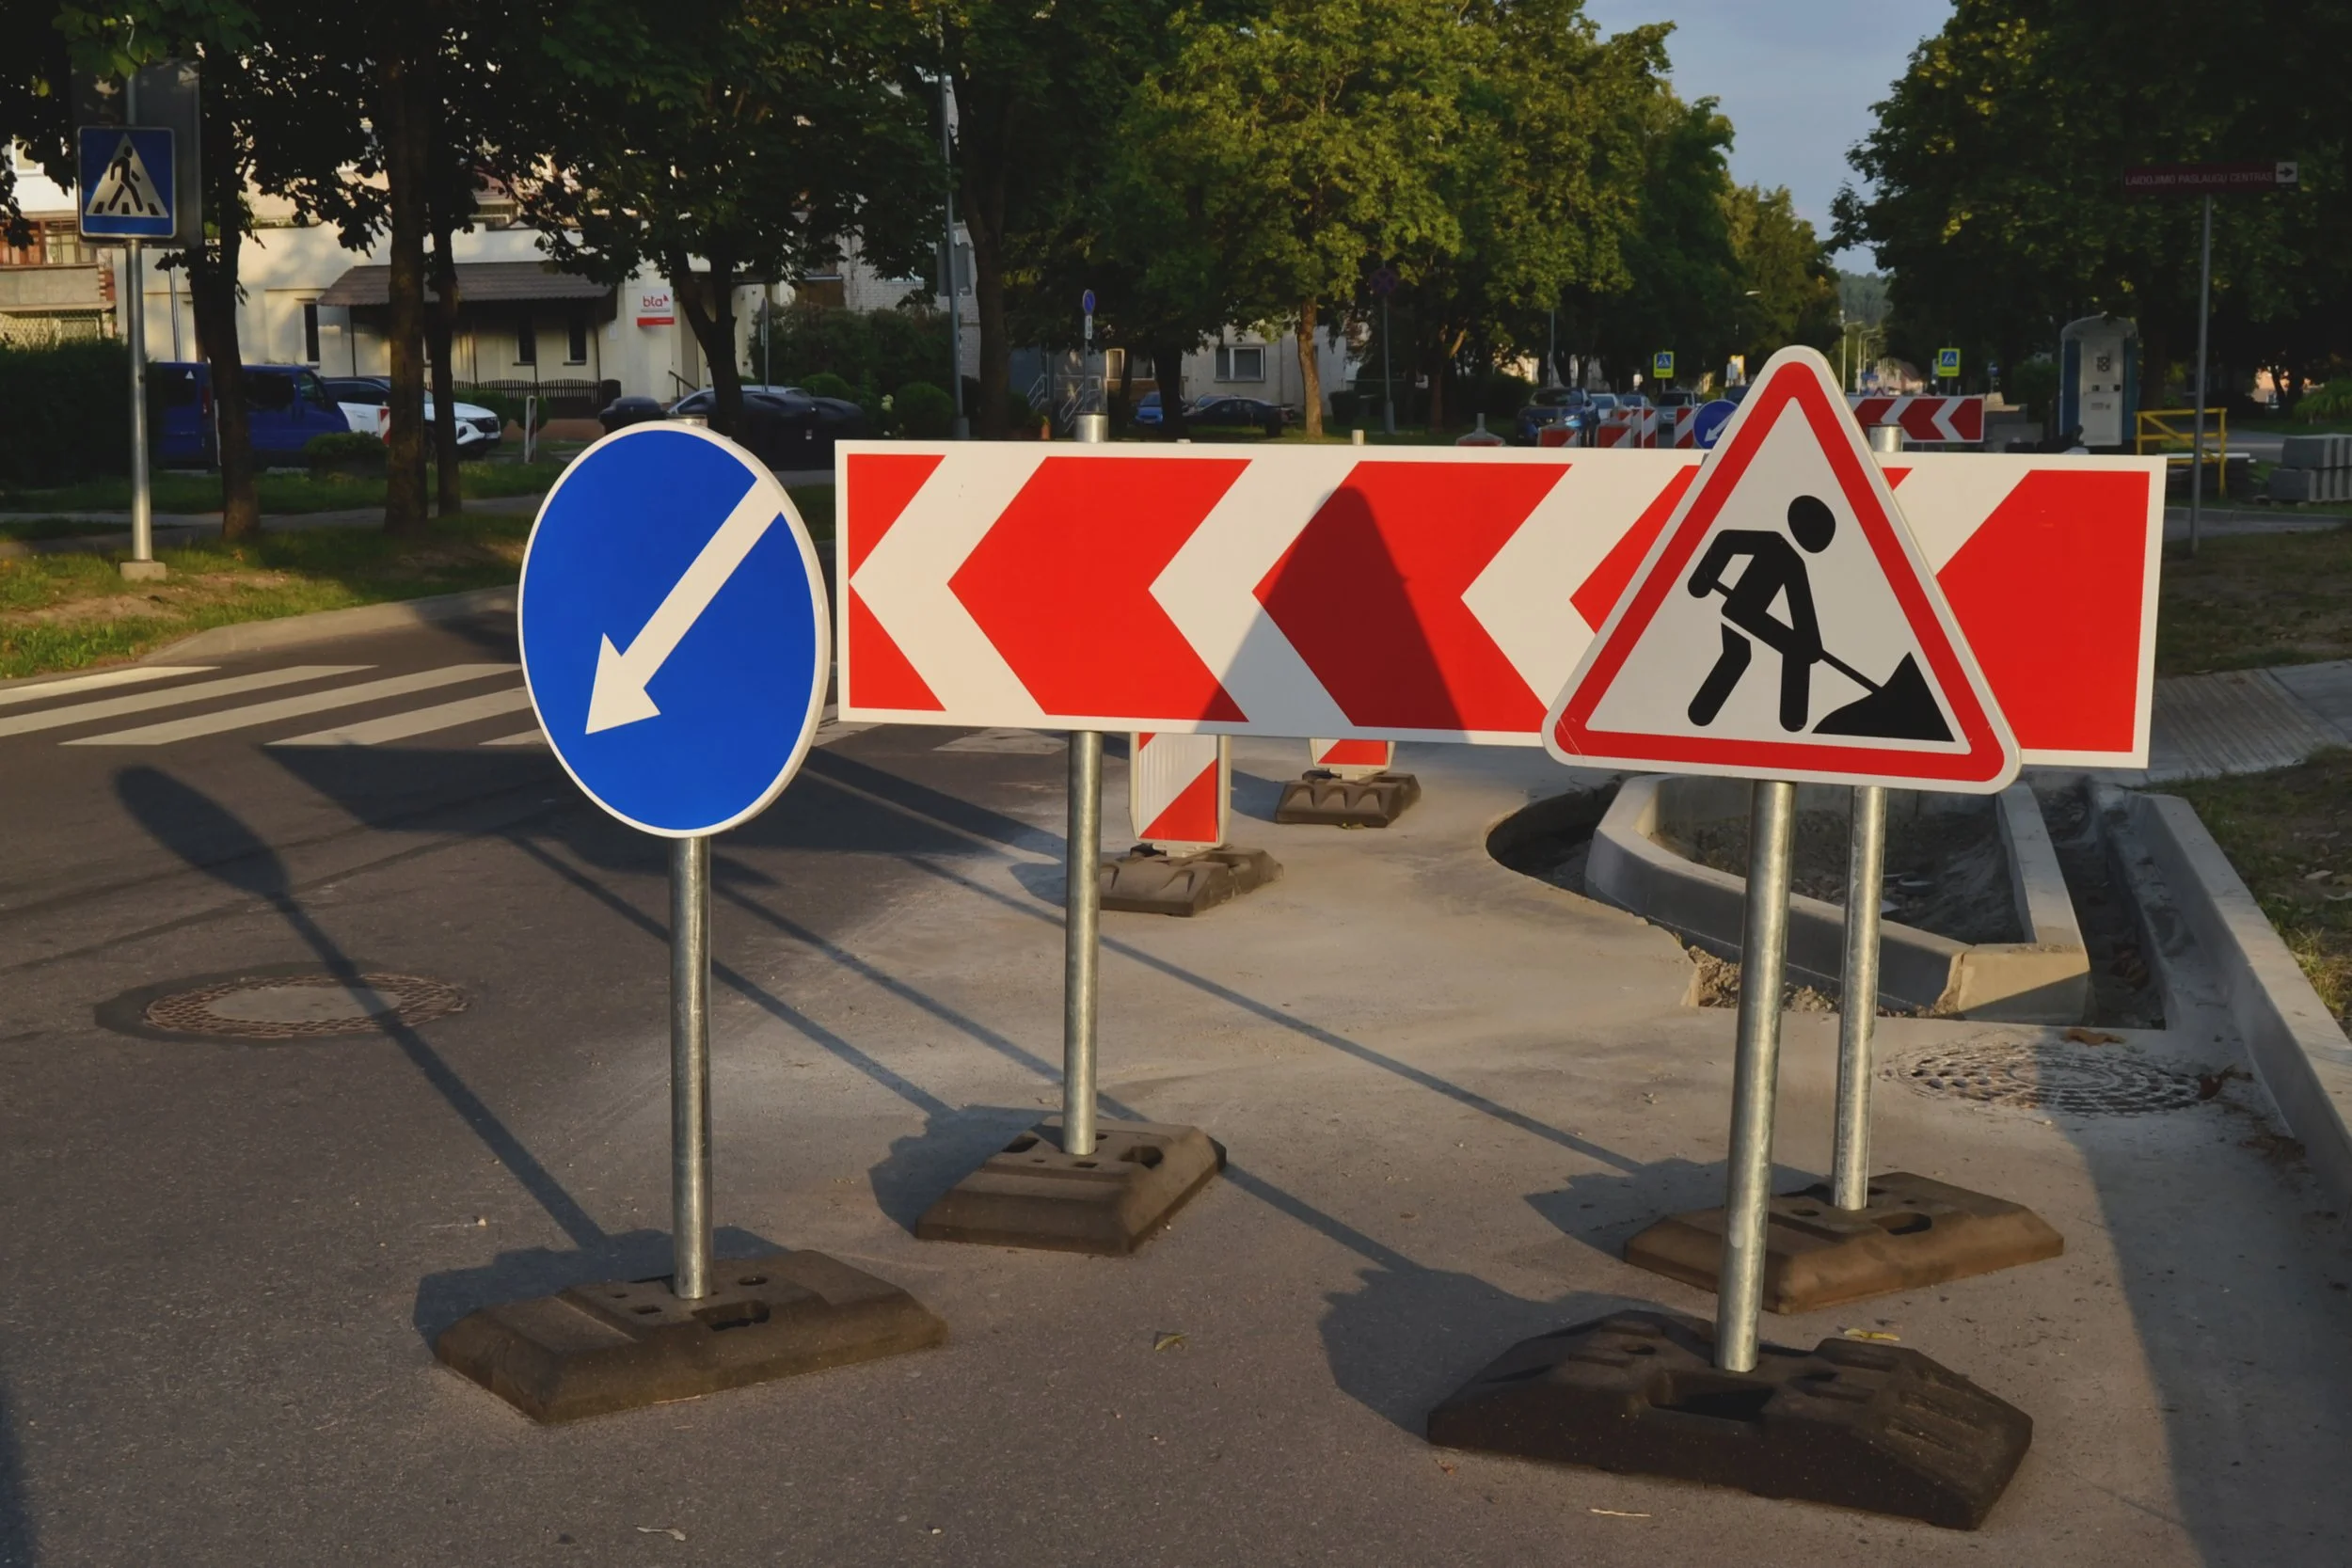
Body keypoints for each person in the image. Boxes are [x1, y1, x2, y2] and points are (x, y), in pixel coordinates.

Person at [1684, 495, 1837, 732]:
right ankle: (1701, 715)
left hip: (1748, 615)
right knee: (1740, 656)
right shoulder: (1776, 545)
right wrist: (1701, 580)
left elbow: (1802, 612)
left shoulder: (1794, 563)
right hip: (1740, 611)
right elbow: (1726, 541)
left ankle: (1792, 720)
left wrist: (1811, 646)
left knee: (1780, 652)